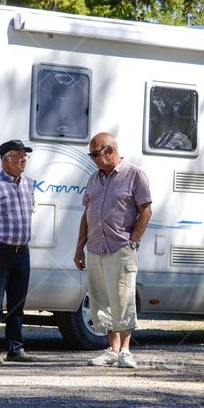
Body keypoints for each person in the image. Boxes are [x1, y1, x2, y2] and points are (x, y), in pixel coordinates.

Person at [74, 132, 152, 368]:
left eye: (95, 154)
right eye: (91, 155)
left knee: (123, 298)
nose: (93, 159)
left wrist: (133, 240)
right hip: (96, 248)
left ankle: (126, 351)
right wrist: (80, 248)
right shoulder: (93, 179)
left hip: (120, 247)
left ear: (109, 151)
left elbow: (146, 210)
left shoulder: (134, 174)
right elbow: (86, 216)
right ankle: (112, 349)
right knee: (101, 300)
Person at [0, 139, 38, 364]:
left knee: (17, 302)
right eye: (19, 156)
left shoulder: (28, 183)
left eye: (25, 156)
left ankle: (16, 349)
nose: (23, 160)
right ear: (6, 159)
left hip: (22, 251)